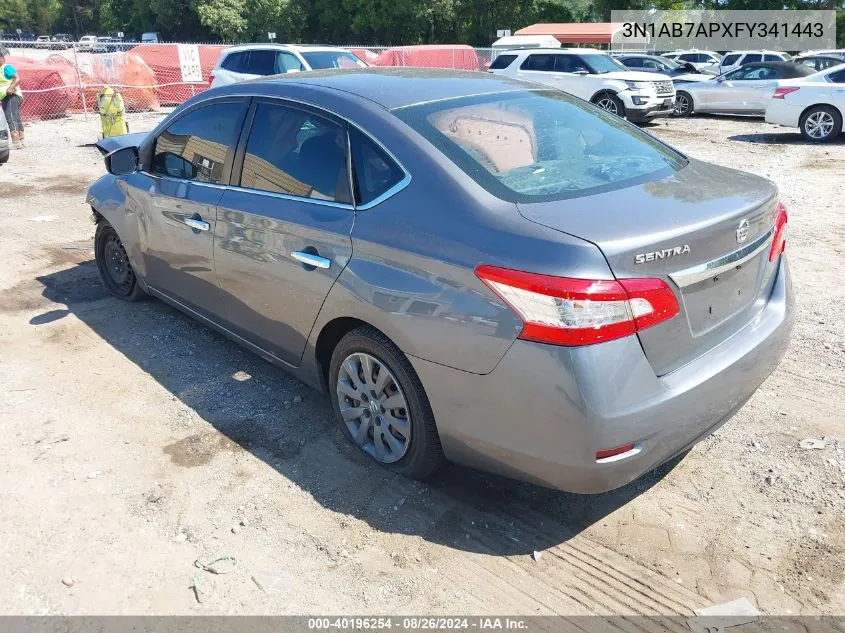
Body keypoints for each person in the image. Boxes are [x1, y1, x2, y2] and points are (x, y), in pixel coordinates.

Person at [0, 47, 24, 149]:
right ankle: (21, 140)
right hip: (7, 96)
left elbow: (17, 78)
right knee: (16, 117)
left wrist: (11, 88)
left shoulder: (6, 67)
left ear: (2, 58)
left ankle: (16, 142)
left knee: (10, 117)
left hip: (11, 96)